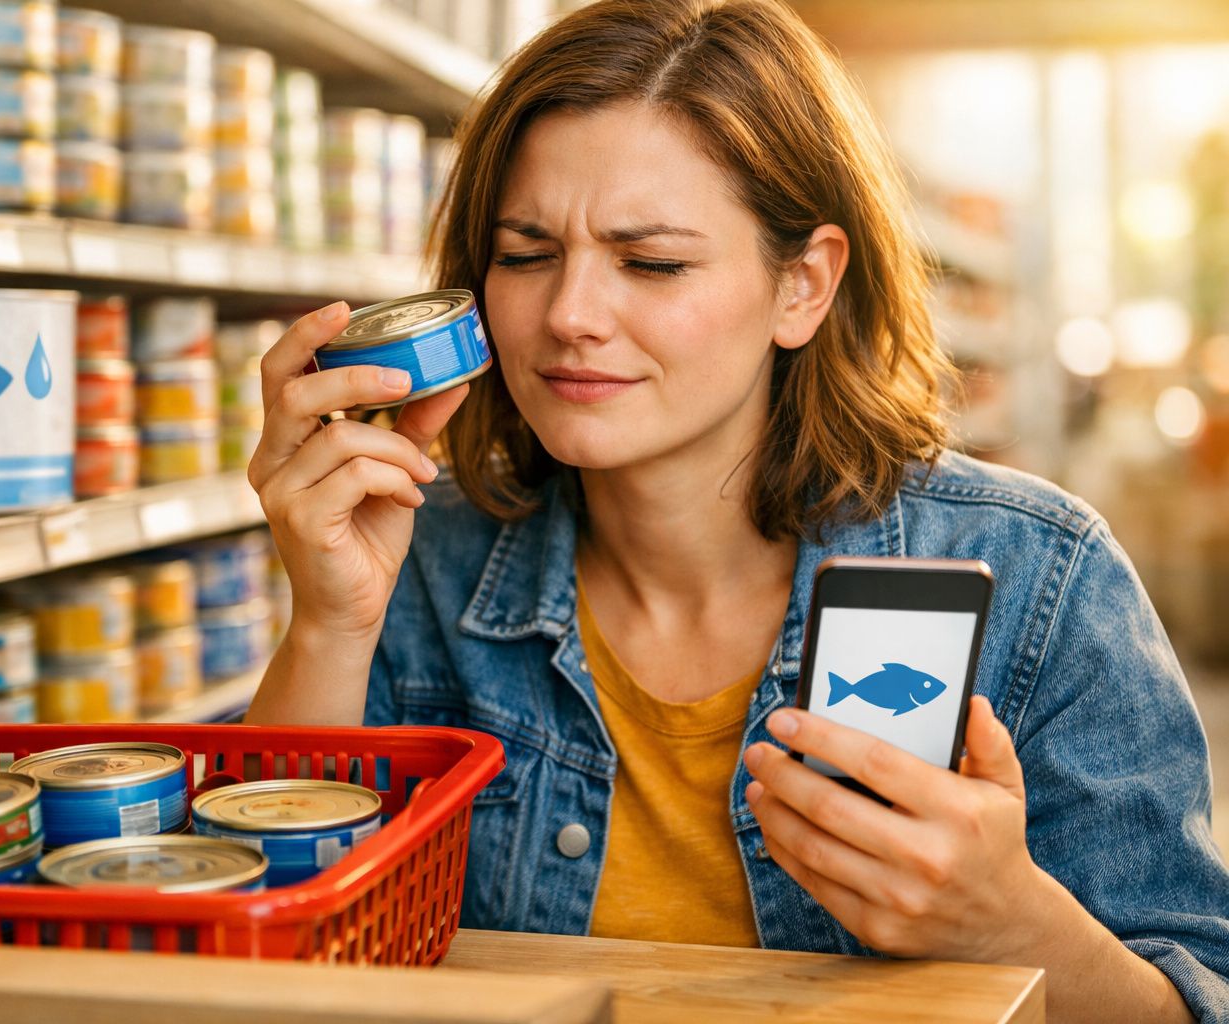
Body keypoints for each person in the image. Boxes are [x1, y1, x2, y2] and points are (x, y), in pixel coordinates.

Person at [244, 0, 1229, 1020]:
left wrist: (1015, 926)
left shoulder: (1041, 577)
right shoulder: (420, 555)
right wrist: (330, 623)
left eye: (652, 263)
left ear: (803, 285)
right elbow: (254, 965)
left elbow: (1197, 996)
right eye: (526, 254)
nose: (569, 315)